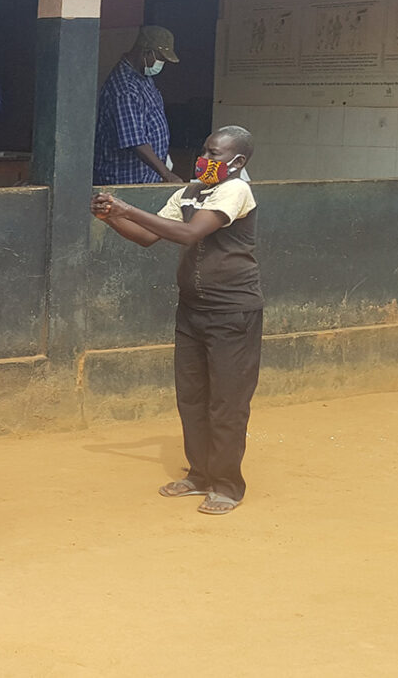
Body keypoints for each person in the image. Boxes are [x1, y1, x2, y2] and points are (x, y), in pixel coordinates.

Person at [90, 126, 262, 516]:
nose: (205, 159)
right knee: (192, 397)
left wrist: (125, 208)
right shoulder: (191, 190)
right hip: (192, 311)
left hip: (232, 313)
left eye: (214, 154)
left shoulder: (236, 191)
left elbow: (188, 234)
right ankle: (200, 474)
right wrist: (109, 218)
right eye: (205, 150)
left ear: (237, 162)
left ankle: (227, 485)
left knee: (227, 402)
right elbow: (148, 237)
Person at [93, 25, 183, 185]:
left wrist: (162, 157)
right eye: (161, 59)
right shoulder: (124, 88)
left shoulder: (142, 76)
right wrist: (167, 174)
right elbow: (135, 141)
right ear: (146, 52)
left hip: (146, 174)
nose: (162, 64)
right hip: (127, 178)